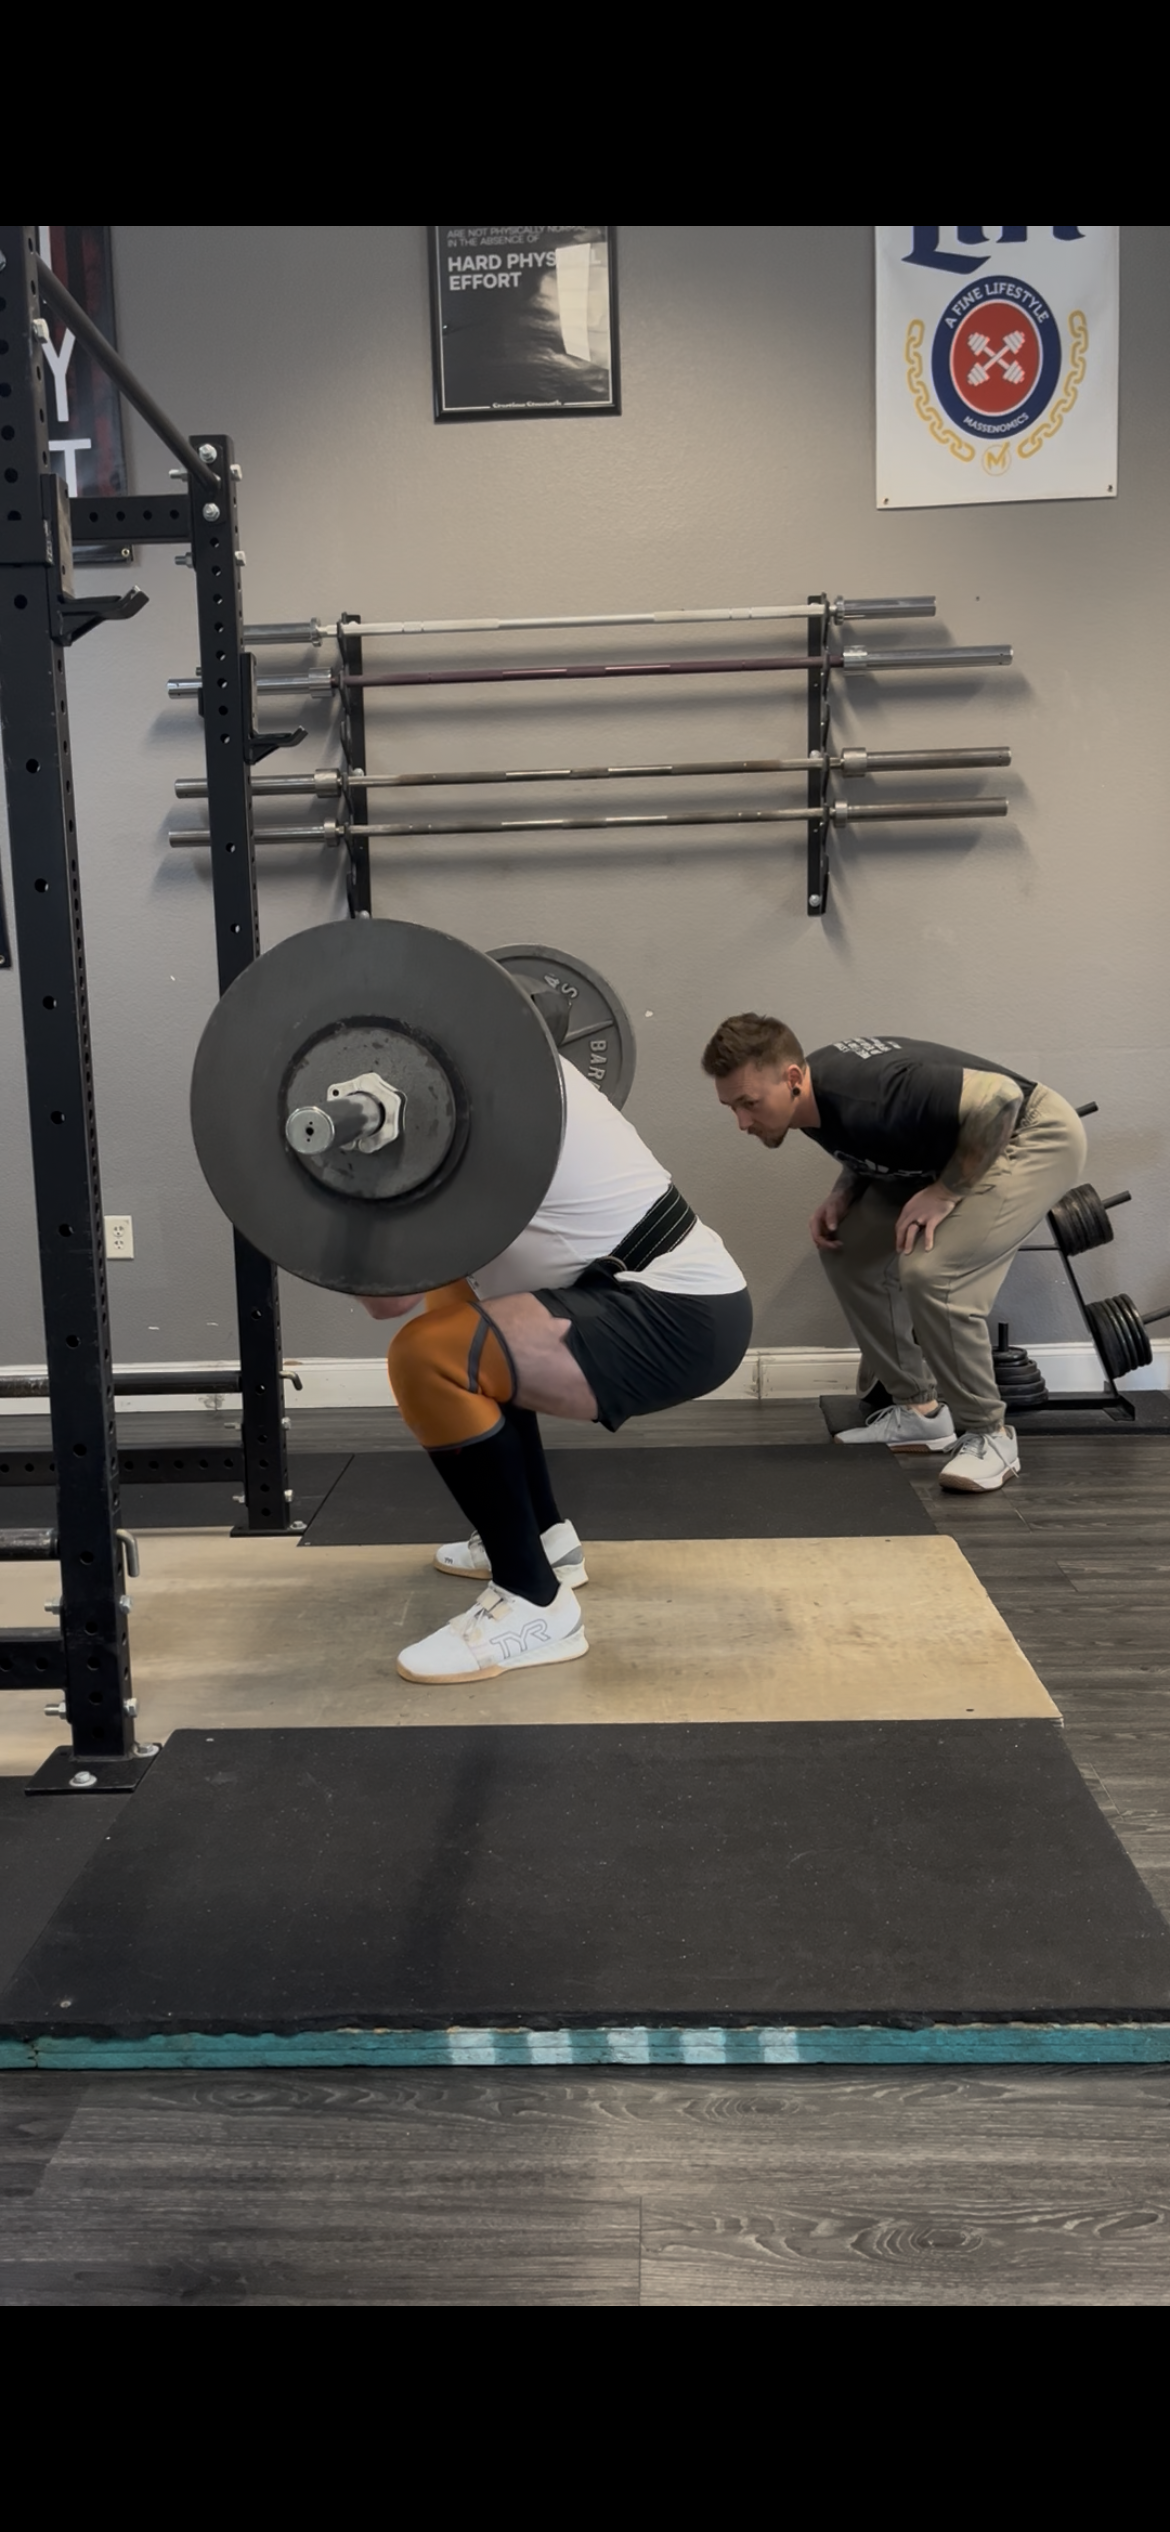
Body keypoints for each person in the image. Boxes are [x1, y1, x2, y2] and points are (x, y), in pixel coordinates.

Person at [360, 1060, 752, 1683]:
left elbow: (387, 1299)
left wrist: (345, 1167)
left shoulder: (483, 1102)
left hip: (677, 1314)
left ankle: (534, 1604)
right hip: (654, 1292)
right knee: (456, 1303)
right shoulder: (487, 1069)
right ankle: (544, 1539)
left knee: (427, 1357)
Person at [702, 1017, 1088, 1492]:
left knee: (933, 1274)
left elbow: (1000, 1099)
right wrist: (843, 1192)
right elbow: (877, 1139)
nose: (742, 1123)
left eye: (749, 1104)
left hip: (1028, 1133)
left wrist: (946, 1192)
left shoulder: (873, 1090)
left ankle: (990, 1435)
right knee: (847, 1247)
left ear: (793, 1079)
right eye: (732, 1107)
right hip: (956, 1146)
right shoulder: (814, 1100)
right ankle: (918, 1411)